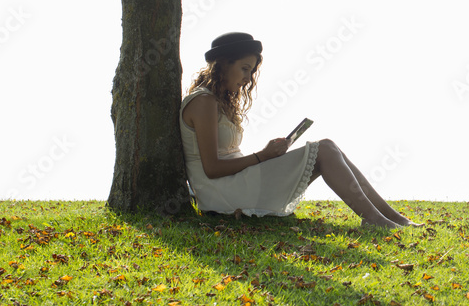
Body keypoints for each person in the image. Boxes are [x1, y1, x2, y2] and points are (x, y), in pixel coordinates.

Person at [179, 32, 419, 228]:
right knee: (324, 149)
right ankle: (376, 219)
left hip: (236, 182)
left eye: (251, 71)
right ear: (222, 64)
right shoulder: (203, 102)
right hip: (222, 193)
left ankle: (392, 217)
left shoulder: (218, 101)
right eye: (244, 68)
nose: (248, 77)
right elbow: (211, 168)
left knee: (329, 147)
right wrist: (263, 156)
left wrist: (267, 157)